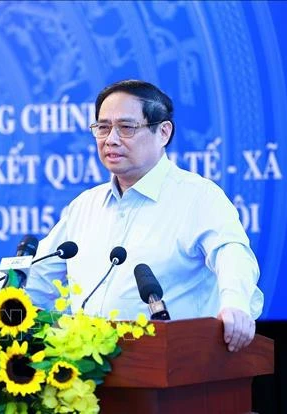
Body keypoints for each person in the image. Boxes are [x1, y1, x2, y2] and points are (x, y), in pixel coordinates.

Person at [25, 79, 263, 352]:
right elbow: (37, 281)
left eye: (126, 128)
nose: (111, 140)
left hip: (177, 366)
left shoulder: (198, 197)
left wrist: (235, 303)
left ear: (163, 132)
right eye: (103, 128)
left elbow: (232, 253)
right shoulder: (84, 206)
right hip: (88, 375)